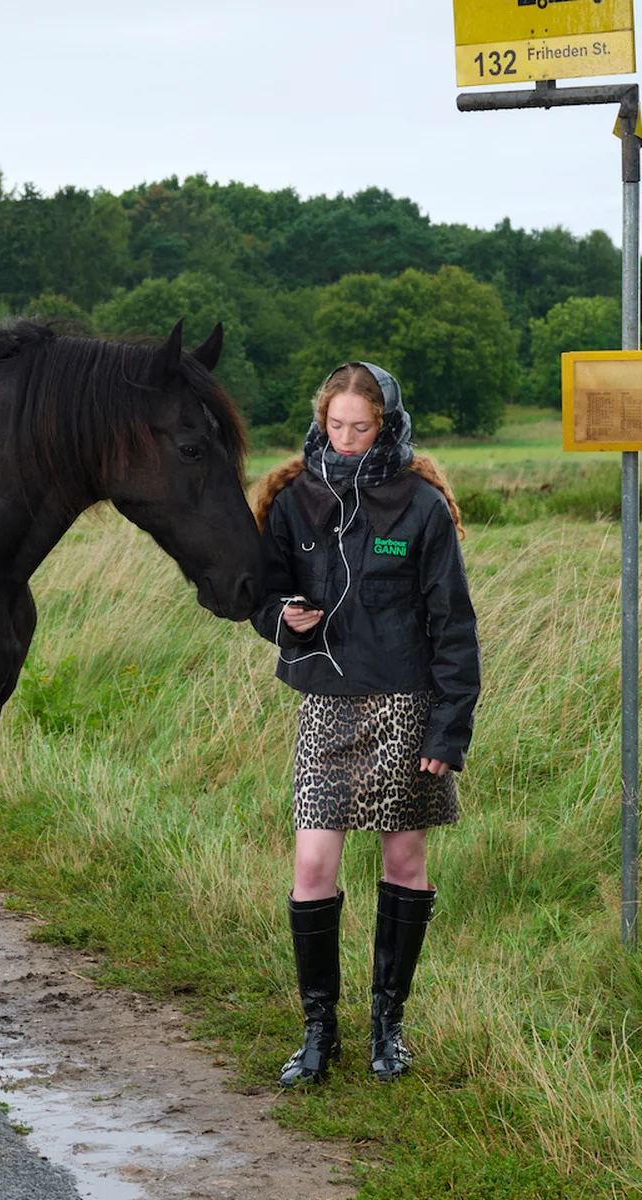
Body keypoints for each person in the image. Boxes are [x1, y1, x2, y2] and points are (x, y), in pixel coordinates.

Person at [250, 362, 480, 1086]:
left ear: (388, 424)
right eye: (335, 426)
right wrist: (284, 619)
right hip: (326, 705)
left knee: (405, 863)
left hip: (406, 706)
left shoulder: (422, 506)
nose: (346, 440)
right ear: (320, 422)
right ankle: (319, 1034)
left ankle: (389, 1029)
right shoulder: (293, 500)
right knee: (313, 866)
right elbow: (263, 595)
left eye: (362, 427)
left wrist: (449, 731)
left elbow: (454, 628)